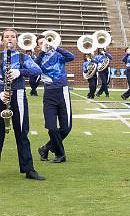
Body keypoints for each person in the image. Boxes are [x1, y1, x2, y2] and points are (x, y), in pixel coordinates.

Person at [0, 28, 45, 180]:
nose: (9, 39)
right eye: (6, 37)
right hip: (1, 97)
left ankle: (29, 169)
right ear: (2, 40)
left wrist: (20, 72)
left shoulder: (22, 57)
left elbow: (37, 70)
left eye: (12, 36)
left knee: (22, 133)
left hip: (18, 95)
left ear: (17, 40)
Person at [34, 36, 75, 163]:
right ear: (37, 47)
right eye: (41, 43)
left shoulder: (58, 55)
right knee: (52, 128)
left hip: (62, 92)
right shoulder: (38, 58)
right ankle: (60, 155)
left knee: (66, 128)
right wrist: (42, 52)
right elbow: (35, 67)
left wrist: (56, 47)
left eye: (45, 42)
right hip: (49, 94)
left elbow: (71, 57)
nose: (44, 44)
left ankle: (45, 148)